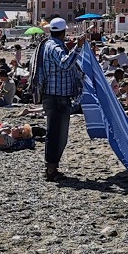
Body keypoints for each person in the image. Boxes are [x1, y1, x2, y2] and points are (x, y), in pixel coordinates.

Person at [32, 18, 86, 182]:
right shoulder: (55, 47)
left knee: (56, 133)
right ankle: (51, 170)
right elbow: (65, 64)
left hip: (55, 96)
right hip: (57, 97)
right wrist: (79, 47)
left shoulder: (50, 45)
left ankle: (52, 168)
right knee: (57, 134)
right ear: (63, 33)